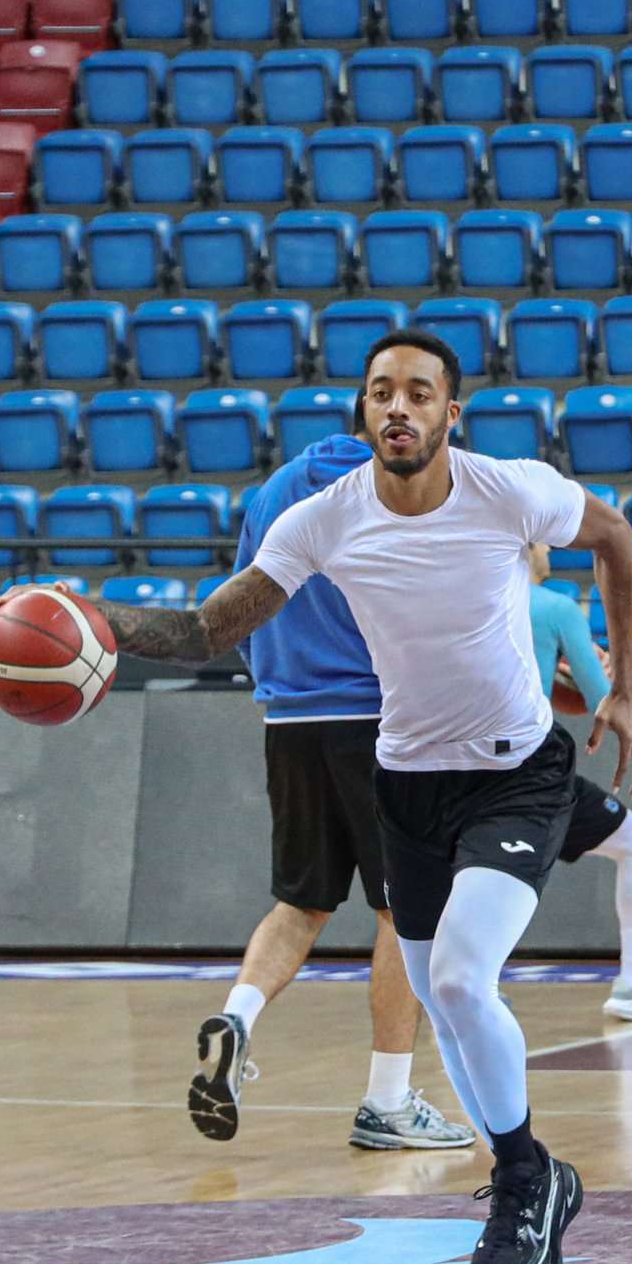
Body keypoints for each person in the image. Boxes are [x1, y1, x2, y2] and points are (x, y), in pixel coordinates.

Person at [102, 330, 632, 1264]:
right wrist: (93, 617)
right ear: (362, 411)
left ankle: (525, 1177)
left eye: (417, 392)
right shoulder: (323, 518)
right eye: (380, 392)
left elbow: (614, 536)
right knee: (445, 1002)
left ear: (451, 412)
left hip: (515, 774)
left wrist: (625, 688)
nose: (397, 407)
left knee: (460, 976)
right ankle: (526, 1175)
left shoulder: (508, 490)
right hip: (405, 782)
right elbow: (206, 629)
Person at [185, 432, 477, 1154]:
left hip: (289, 719)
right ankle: (387, 1100)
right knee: (405, 912)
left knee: (300, 904)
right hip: (380, 720)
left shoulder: (276, 487)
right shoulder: (399, 487)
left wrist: (274, 680)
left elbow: (236, 605)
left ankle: (238, 1017)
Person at [528, 544, 632, 1023]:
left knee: (466, 874)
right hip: (527, 769)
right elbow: (605, 700)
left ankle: (462, 990)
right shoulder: (554, 607)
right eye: (541, 540)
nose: (548, 548)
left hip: (452, 762)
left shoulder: (465, 599)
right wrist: (608, 672)